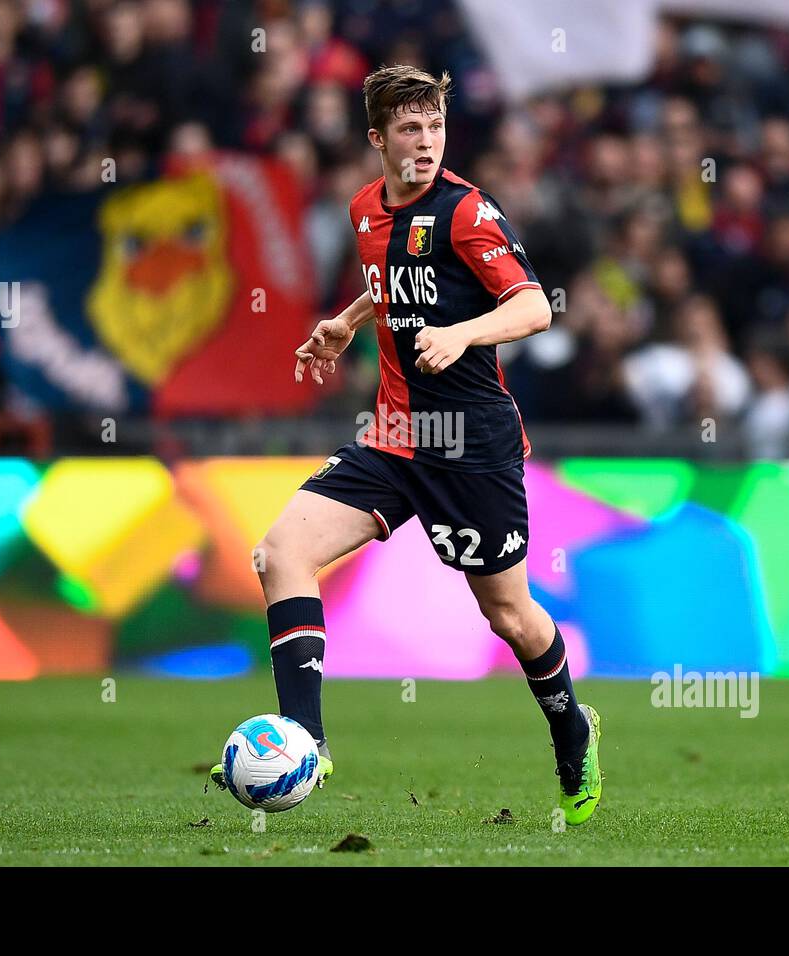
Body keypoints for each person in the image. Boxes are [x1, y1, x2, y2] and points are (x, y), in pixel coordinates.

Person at [209, 64, 602, 824]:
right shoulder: (365, 209)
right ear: (377, 139)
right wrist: (348, 323)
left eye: (435, 127)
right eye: (410, 130)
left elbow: (530, 307)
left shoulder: (467, 212)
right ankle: (308, 742)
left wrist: (462, 333)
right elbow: (392, 281)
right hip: (394, 433)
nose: (425, 143)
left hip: (471, 445)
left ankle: (571, 726)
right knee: (280, 553)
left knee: (510, 615)